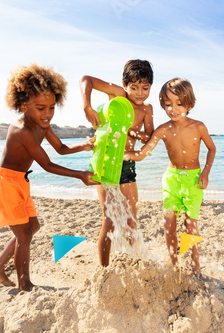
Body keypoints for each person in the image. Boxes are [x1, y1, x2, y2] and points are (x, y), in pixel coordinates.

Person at [0, 64, 99, 292]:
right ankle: (24, 285)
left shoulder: (43, 125)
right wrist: (81, 175)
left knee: (32, 227)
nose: (47, 114)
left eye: (52, 108)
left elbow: (62, 149)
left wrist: (84, 146)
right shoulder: (23, 130)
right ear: (23, 105)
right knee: (24, 235)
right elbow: (46, 164)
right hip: (5, 182)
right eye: (40, 108)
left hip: (19, 181)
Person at [124, 78, 216, 276]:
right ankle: (173, 263)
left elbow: (211, 148)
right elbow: (142, 153)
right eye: (168, 104)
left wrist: (206, 172)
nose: (173, 109)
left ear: (190, 104)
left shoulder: (198, 127)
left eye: (179, 104)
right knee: (169, 223)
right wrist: (123, 154)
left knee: (190, 224)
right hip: (171, 179)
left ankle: (195, 265)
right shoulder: (163, 130)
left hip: (193, 180)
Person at [80, 59, 154, 266]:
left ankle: (132, 264)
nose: (140, 93)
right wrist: (87, 106)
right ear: (124, 85)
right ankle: (103, 268)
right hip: (106, 164)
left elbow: (149, 136)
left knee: (131, 219)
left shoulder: (147, 109)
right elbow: (86, 80)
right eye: (134, 87)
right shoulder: (117, 95)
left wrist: (133, 132)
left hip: (128, 165)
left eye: (145, 88)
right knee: (109, 220)